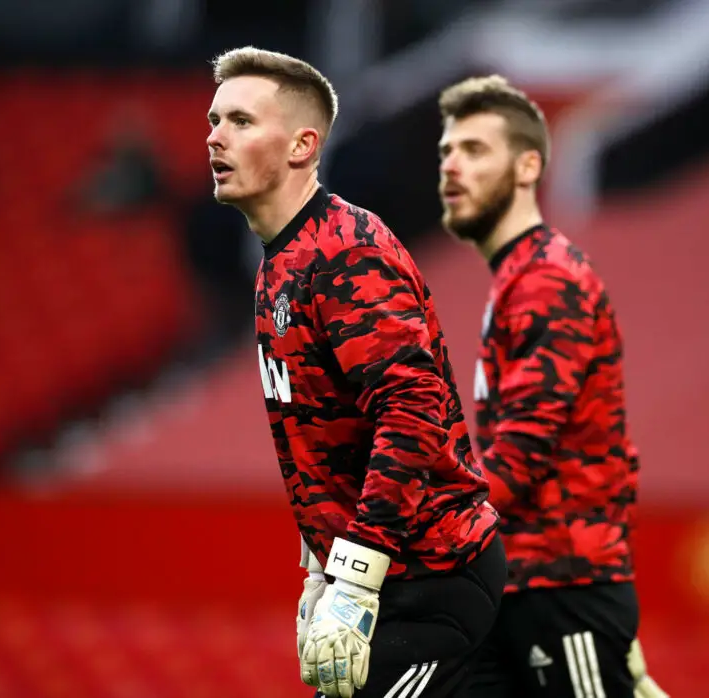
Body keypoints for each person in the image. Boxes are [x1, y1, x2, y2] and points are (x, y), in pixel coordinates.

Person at [206, 47, 506, 698]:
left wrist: (355, 578)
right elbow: (325, 444)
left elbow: (413, 411)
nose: (215, 138)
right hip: (396, 580)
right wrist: (321, 572)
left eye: (241, 121)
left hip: (431, 578)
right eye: (215, 120)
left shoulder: (346, 252)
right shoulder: (278, 267)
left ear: (302, 146)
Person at [435, 75, 668, 698]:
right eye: (447, 151)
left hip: (562, 585)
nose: (452, 167)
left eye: (475, 150)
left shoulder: (547, 279)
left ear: (528, 167)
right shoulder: (520, 278)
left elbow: (523, 451)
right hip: (523, 582)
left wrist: (412, 529)